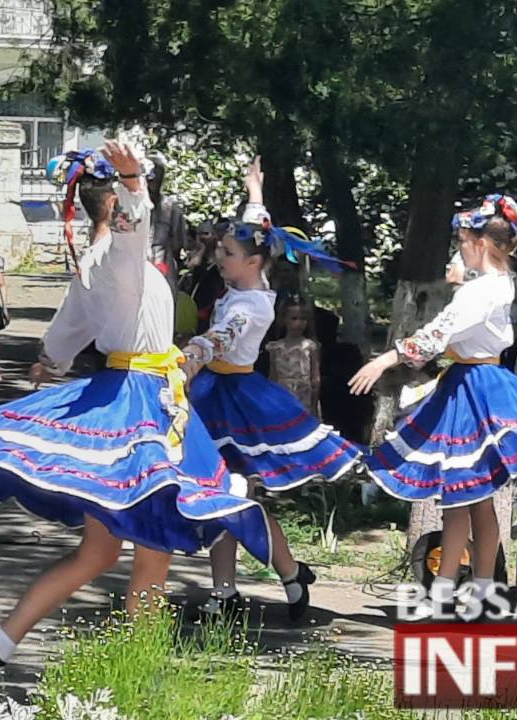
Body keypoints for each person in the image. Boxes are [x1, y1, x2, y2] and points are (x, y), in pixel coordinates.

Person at [0, 144, 272, 702]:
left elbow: (68, 330)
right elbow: (132, 225)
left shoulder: (92, 264)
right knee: (152, 554)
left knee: (99, 554)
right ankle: (142, 687)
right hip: (144, 404)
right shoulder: (122, 254)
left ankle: (0, 642)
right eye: (126, 208)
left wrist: (51, 359)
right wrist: (132, 179)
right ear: (113, 210)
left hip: (136, 395)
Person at [348, 194, 517, 621]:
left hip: (476, 388)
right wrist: (463, 284)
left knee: (467, 496)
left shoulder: (484, 290)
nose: (458, 249)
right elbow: (463, 320)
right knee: (470, 498)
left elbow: (444, 329)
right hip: (470, 383)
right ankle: (468, 593)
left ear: (480, 245)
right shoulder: (497, 283)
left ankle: (463, 594)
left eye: (462, 241)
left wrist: (388, 357)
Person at [184, 157, 362, 621]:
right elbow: (256, 228)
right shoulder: (250, 276)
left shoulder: (255, 306)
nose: (219, 258)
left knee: (230, 495)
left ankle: (281, 574)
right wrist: (256, 193)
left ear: (254, 263)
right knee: (219, 494)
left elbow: (223, 336)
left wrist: (194, 354)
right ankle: (236, 589)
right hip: (214, 393)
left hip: (236, 400)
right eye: (220, 250)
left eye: (227, 254)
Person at [264, 300, 322, 415]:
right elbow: (273, 376)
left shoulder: (309, 346)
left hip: (304, 395)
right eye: (294, 318)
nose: (299, 323)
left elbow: (315, 377)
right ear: (284, 320)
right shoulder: (276, 348)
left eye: (303, 319)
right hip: (282, 394)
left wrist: (314, 403)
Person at [147, 154, 187, 288]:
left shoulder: (171, 209)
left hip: (162, 271)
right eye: (150, 178)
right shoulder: (132, 207)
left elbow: (178, 244)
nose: (152, 184)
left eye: (157, 179)